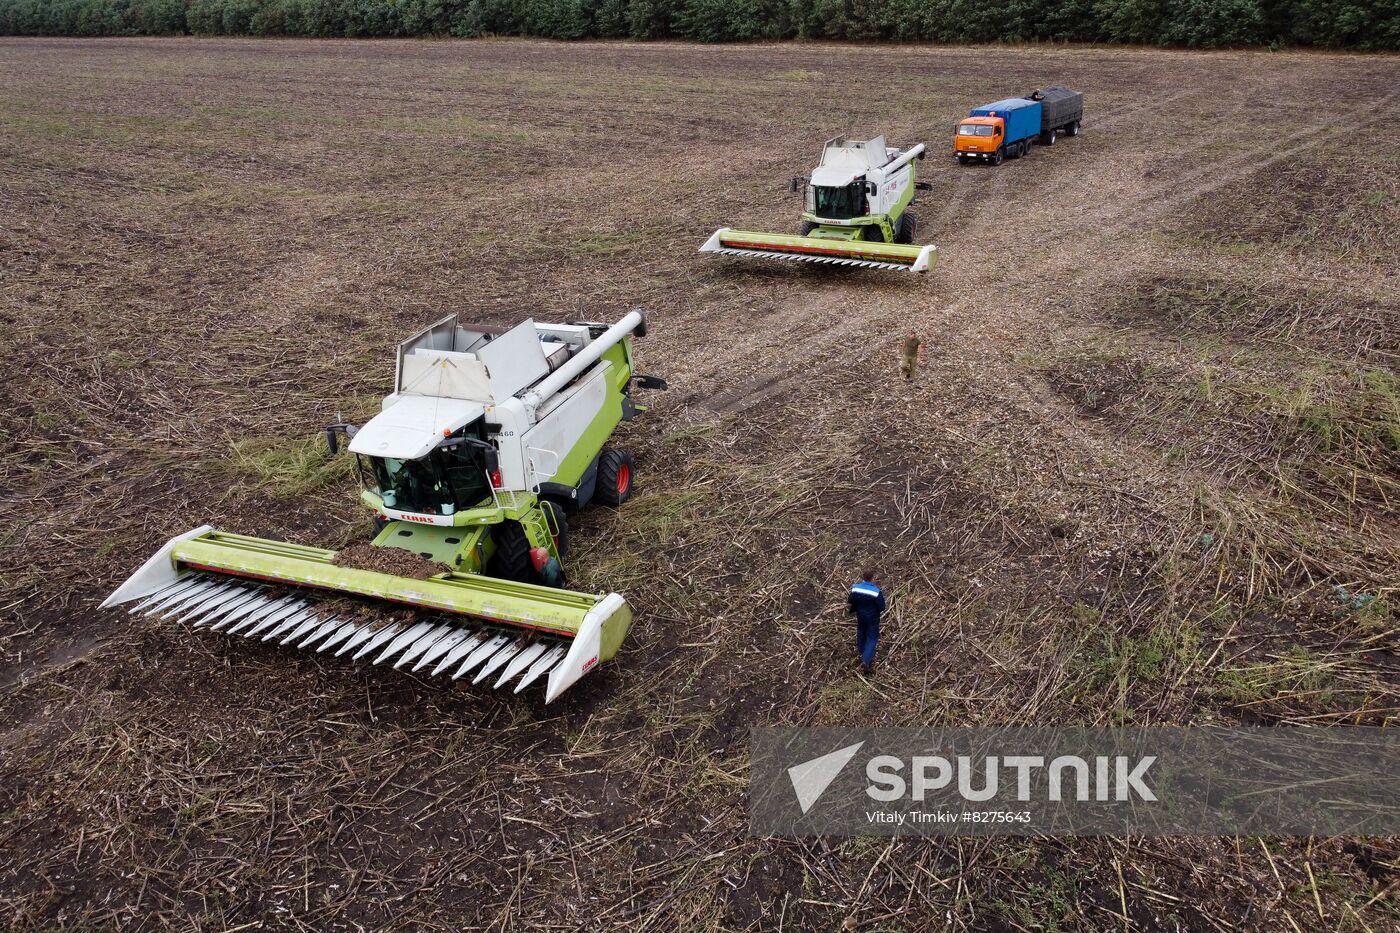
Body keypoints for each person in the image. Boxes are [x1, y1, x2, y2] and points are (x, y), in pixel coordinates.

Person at [846, 571, 886, 674]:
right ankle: (866, 660)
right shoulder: (876, 592)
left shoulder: (856, 588)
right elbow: (882, 607)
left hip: (860, 615)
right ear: (872, 578)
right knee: (872, 637)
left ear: (863, 578)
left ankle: (861, 650)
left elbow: (850, 600)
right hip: (873, 617)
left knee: (861, 631)